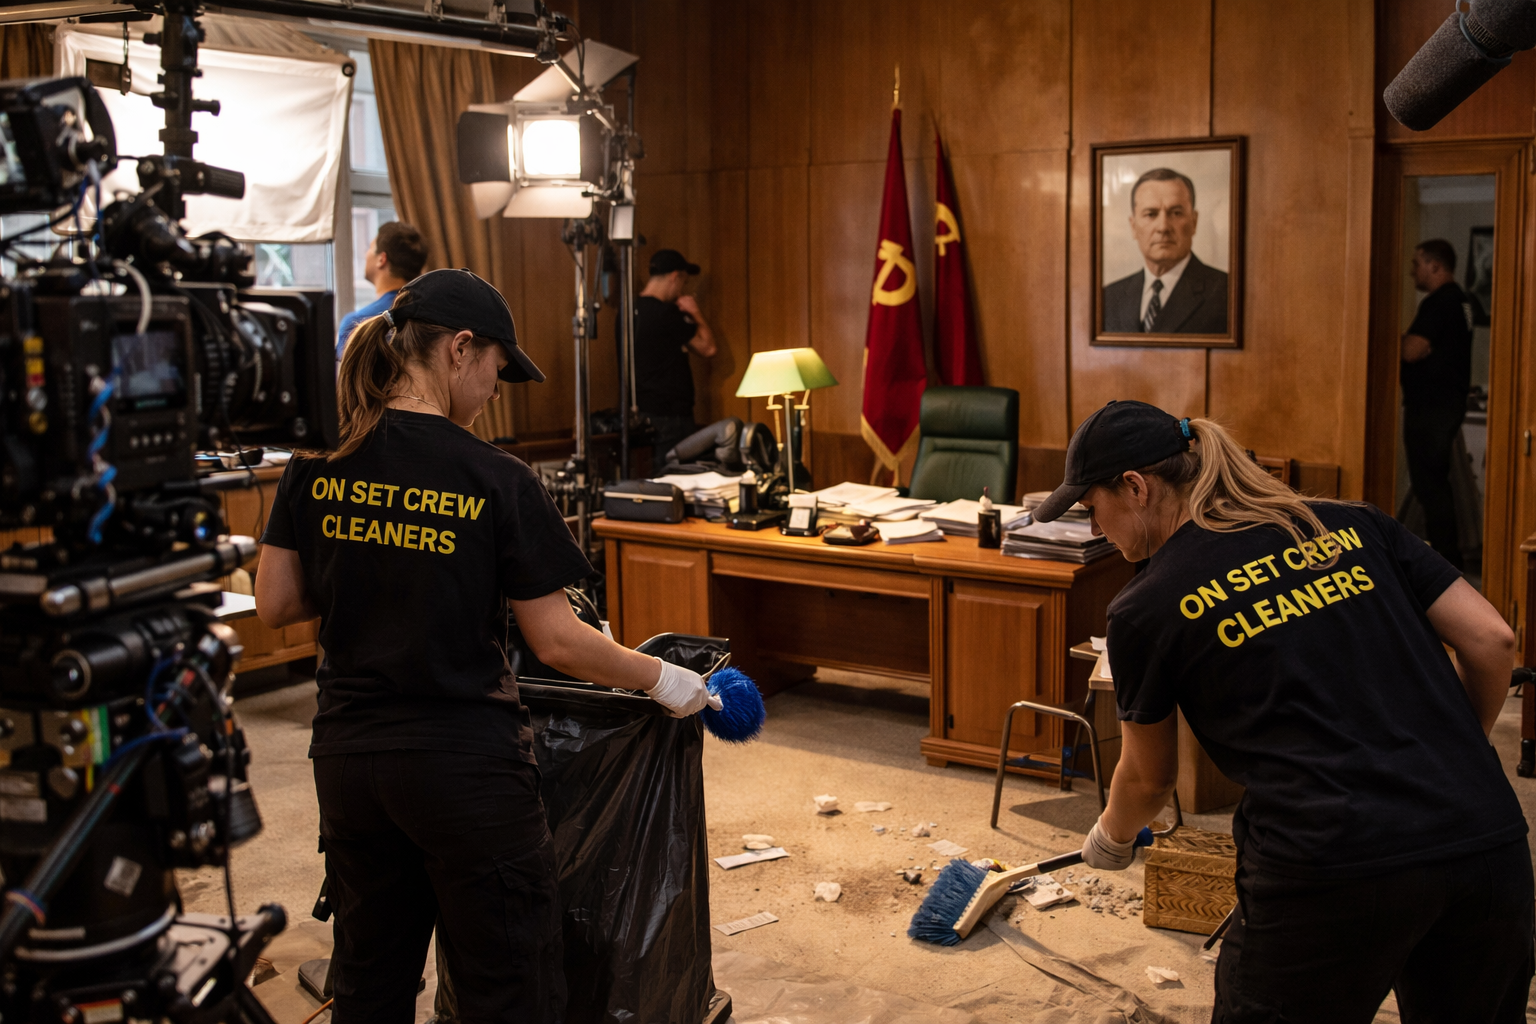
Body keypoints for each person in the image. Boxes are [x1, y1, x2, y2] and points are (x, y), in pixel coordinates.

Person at [254, 269, 718, 1024]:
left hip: (348, 762)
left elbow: (275, 602)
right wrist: (662, 678)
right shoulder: (495, 478)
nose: (497, 389)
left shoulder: (319, 460)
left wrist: (373, 570)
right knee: (510, 982)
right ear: (459, 349)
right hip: (462, 769)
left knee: (370, 980)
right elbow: (560, 641)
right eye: (498, 368)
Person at [1032, 400, 1529, 1023]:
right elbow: (1493, 641)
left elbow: (1148, 777)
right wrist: (1454, 755)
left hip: (1331, 865)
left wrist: (1110, 838)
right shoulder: (1355, 525)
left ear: (1134, 488)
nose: (1096, 526)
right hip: (1483, 839)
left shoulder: (1145, 606)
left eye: (1091, 507)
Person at [1401, 238, 1475, 570]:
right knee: (1438, 484)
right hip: (1449, 405)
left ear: (1435, 265)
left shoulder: (1438, 303)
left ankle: (1443, 561)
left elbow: (1412, 350)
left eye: (1417, 263)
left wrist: (1400, 338)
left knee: (1430, 486)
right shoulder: (1463, 301)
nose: (1412, 271)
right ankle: (1448, 557)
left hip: (1430, 409)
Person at [1102, 168, 1229, 334]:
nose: (1163, 227)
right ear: (1133, 226)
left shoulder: (1227, 293)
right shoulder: (1108, 298)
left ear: (1194, 221)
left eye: (1176, 213)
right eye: (1151, 214)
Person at [634, 248, 717, 463]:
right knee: (675, 480)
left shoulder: (628, 312)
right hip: (672, 416)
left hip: (641, 415)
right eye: (684, 283)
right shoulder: (666, 313)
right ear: (675, 277)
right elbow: (708, 348)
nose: (682, 290)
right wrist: (695, 312)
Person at [336, 220, 428, 361]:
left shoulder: (357, 324)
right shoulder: (432, 316)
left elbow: (346, 381)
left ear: (382, 259)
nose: (366, 254)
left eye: (370, 247)